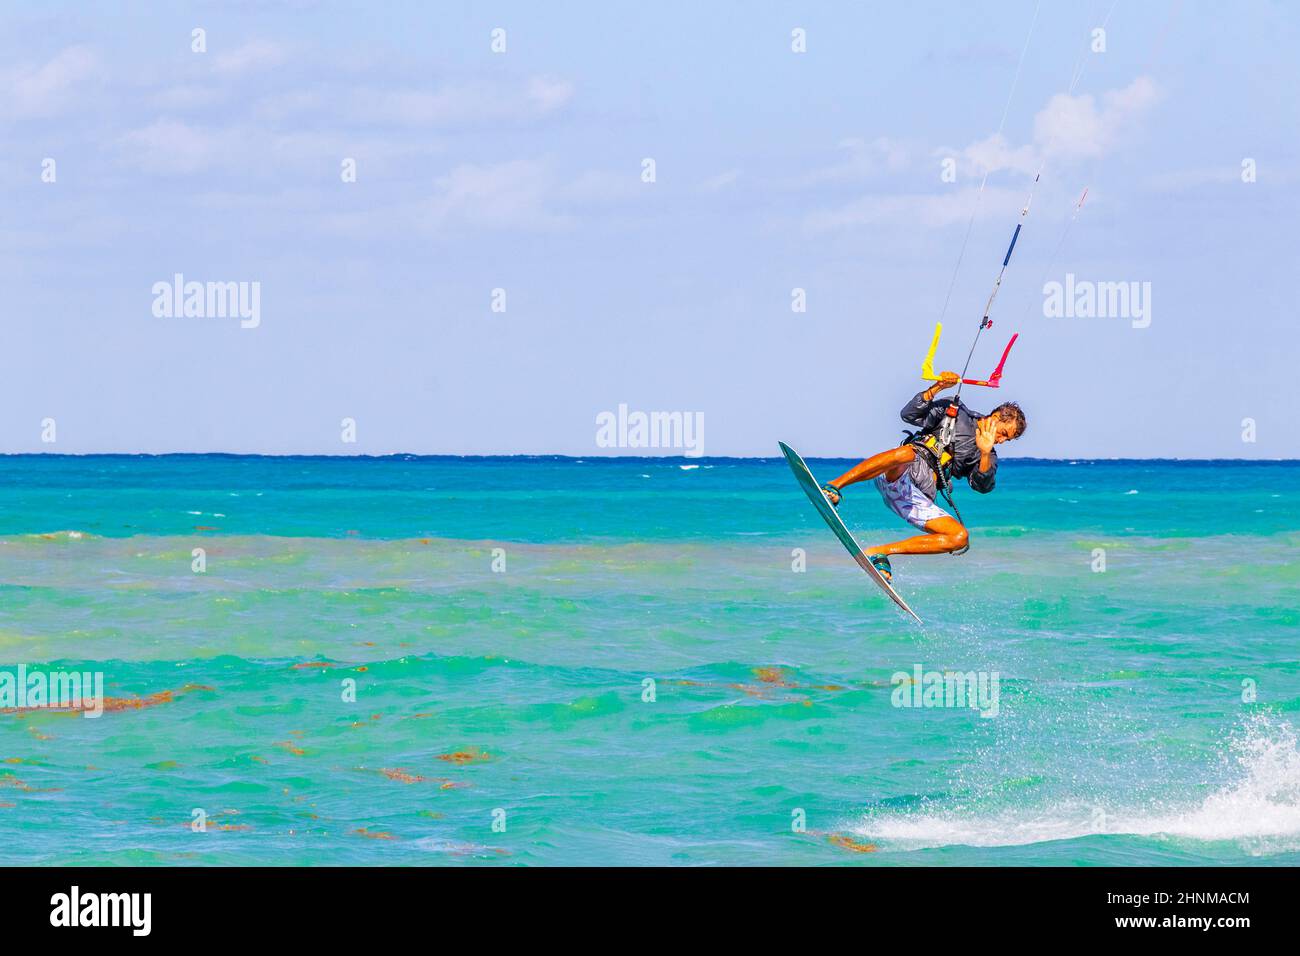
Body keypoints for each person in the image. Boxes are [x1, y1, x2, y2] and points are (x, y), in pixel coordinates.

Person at [819, 371, 1025, 580]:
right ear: (996, 417)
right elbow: (909, 415)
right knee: (906, 453)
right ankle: (833, 487)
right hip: (897, 472)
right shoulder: (956, 412)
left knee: (960, 537)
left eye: (1007, 440)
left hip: (915, 498)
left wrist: (984, 452)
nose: (1001, 440)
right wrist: (937, 388)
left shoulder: (989, 456)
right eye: (1004, 434)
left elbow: (982, 486)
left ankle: (880, 552)